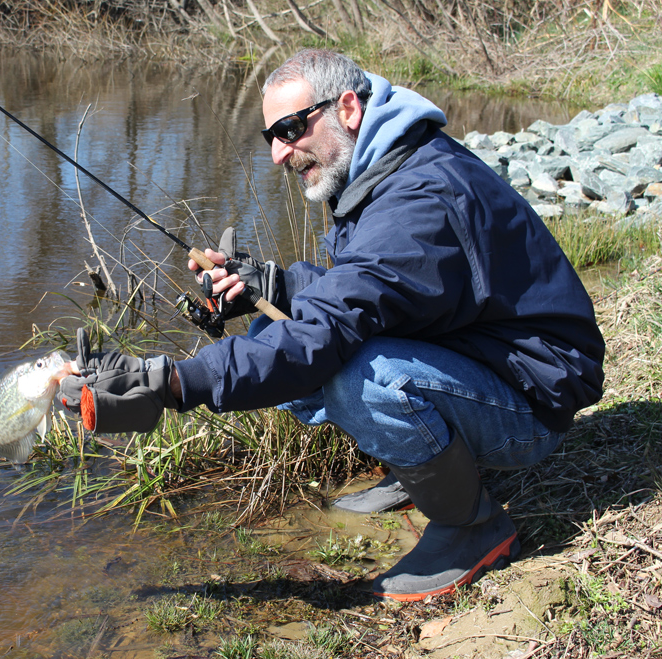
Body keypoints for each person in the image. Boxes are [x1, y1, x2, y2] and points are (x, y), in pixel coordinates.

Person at [57, 49, 605, 602]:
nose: (278, 153)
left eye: (291, 129)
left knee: (357, 375)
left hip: (533, 401)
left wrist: (171, 383)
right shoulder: (388, 165)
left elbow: (338, 320)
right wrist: (273, 286)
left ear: (347, 107)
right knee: (277, 342)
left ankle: (471, 526)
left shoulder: (418, 197)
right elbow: (385, 291)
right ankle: (422, 467)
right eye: (270, 135)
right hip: (482, 355)